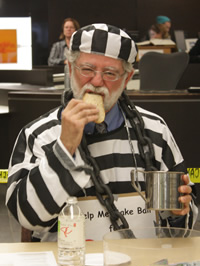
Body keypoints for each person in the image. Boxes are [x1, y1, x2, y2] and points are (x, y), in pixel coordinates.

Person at [6, 23, 197, 242]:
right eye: (87, 69)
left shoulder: (155, 130)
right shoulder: (38, 135)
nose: (97, 82)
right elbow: (26, 218)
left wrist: (177, 213)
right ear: (70, 68)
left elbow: (185, 224)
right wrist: (65, 148)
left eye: (110, 73)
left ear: (126, 79)